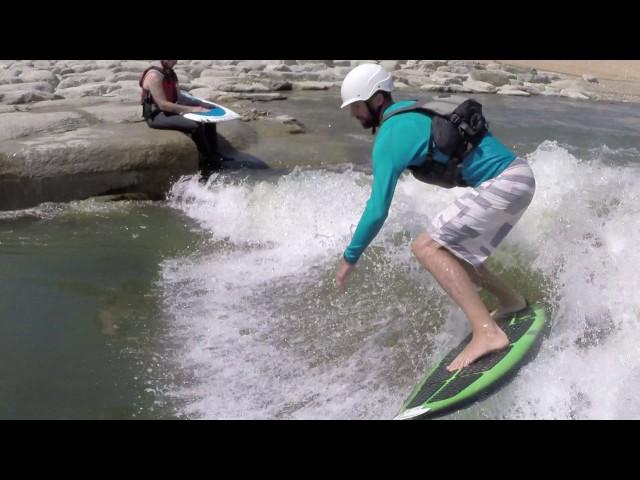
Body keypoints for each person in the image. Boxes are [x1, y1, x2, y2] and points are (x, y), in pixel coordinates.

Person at [334, 63, 536, 371]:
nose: (353, 115)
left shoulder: (390, 135)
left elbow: (377, 209)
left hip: (505, 183)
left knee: (425, 247)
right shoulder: (416, 111)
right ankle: (510, 300)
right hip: (519, 176)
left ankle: (487, 332)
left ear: (376, 100)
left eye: (356, 107)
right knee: (448, 251)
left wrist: (350, 258)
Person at [139, 60, 231, 178]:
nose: (175, 62)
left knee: (209, 119)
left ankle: (215, 154)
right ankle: (208, 160)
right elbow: (163, 105)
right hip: (156, 115)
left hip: (169, 110)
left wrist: (201, 104)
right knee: (195, 125)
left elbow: (180, 97)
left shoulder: (170, 73)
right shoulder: (154, 76)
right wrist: (193, 110)